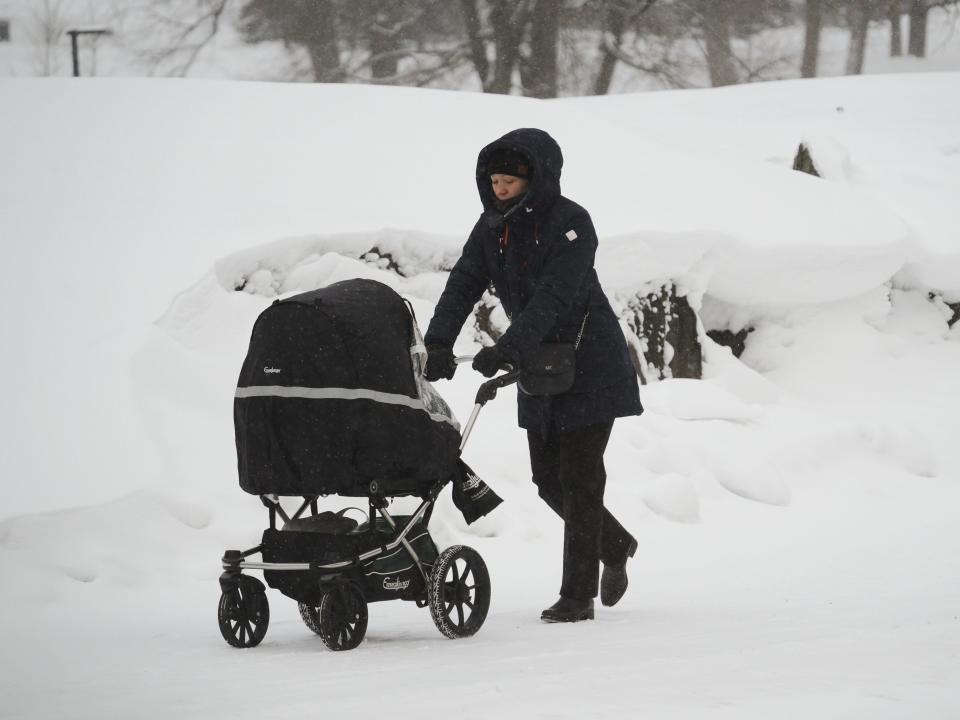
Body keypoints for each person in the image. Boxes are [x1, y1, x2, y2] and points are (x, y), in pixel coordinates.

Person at [423, 128, 643, 623]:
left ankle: (577, 594)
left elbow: (554, 297)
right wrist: (438, 342)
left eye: (509, 181)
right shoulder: (490, 228)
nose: (500, 189)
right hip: (540, 367)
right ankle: (615, 543)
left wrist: (506, 348)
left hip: (590, 363)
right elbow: (463, 284)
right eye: (494, 180)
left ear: (536, 178)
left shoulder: (571, 224)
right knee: (547, 480)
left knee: (580, 478)